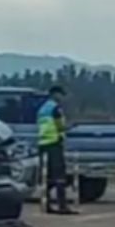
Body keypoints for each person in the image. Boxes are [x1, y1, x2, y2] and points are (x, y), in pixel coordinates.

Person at [37, 85, 76, 214]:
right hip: (54, 143)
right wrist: (69, 127)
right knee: (59, 176)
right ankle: (62, 206)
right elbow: (60, 126)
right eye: (60, 95)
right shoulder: (55, 108)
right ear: (55, 94)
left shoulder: (42, 108)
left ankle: (46, 204)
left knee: (46, 176)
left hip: (43, 143)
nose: (62, 98)